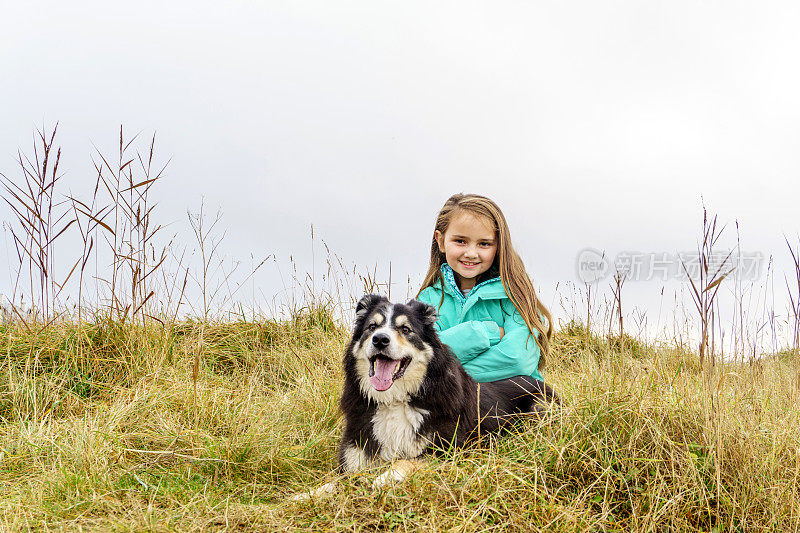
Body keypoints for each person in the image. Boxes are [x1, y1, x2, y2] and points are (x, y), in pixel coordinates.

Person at [416, 193, 553, 383]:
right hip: (454, 403)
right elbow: (424, 358)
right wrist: (486, 333)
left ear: (498, 246)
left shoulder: (514, 295)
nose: (471, 253)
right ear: (441, 241)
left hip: (515, 399)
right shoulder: (427, 301)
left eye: (484, 244)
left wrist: (449, 375)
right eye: (460, 241)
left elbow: (518, 359)